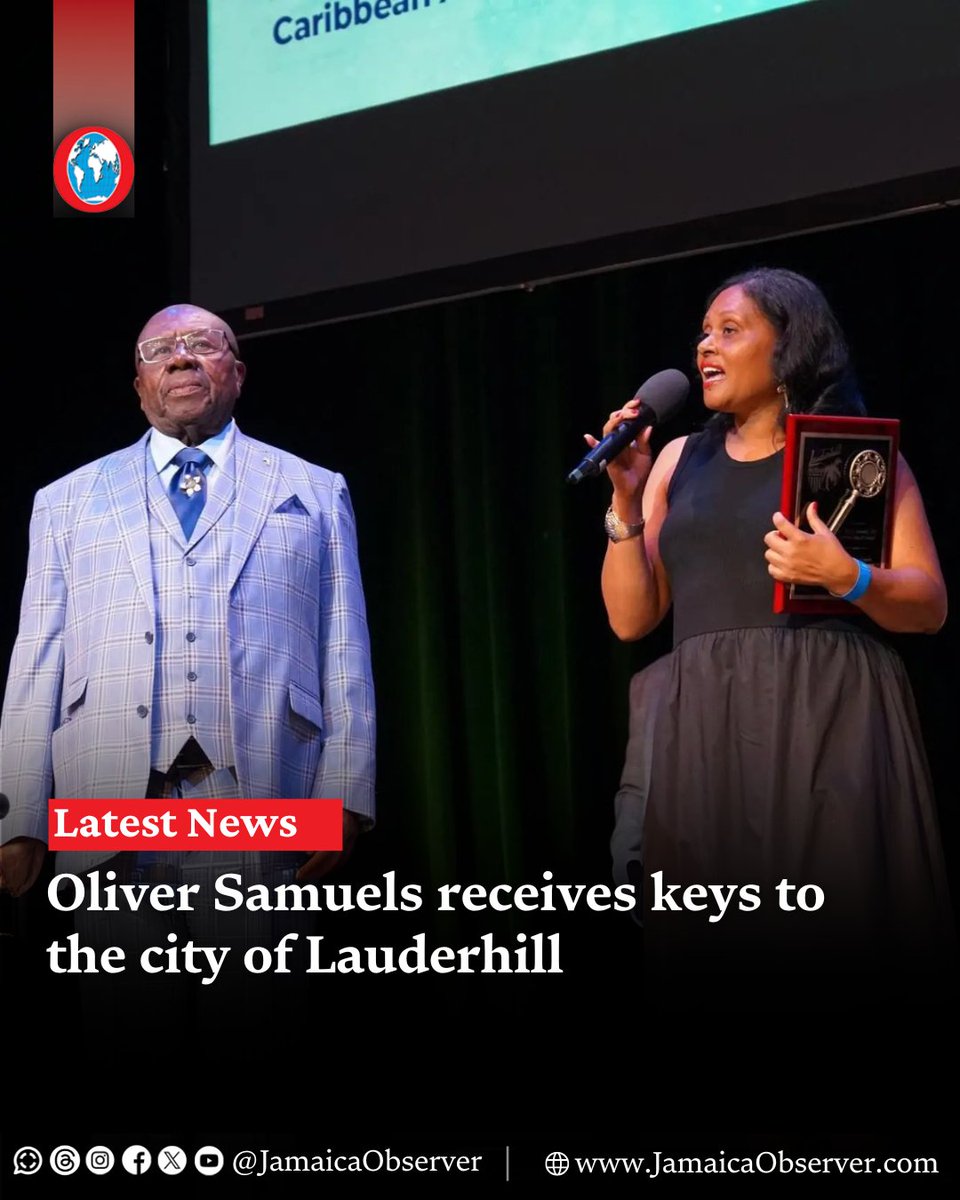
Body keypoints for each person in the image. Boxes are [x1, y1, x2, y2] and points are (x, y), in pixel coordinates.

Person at [0, 303, 375, 1026]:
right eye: (160, 350)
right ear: (138, 384)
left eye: (203, 344)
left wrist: (347, 793)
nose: (181, 358)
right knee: (127, 1034)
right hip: (105, 794)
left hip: (261, 786)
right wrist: (20, 816)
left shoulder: (315, 489)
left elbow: (344, 645)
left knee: (257, 1028)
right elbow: (35, 656)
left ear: (237, 372)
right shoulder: (66, 502)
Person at [591, 268, 952, 994]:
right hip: (705, 725)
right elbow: (633, 618)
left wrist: (847, 574)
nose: (705, 347)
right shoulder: (675, 460)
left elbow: (929, 603)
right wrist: (625, 504)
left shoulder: (851, 458)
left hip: (826, 716)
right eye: (703, 331)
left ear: (787, 345)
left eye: (730, 329)